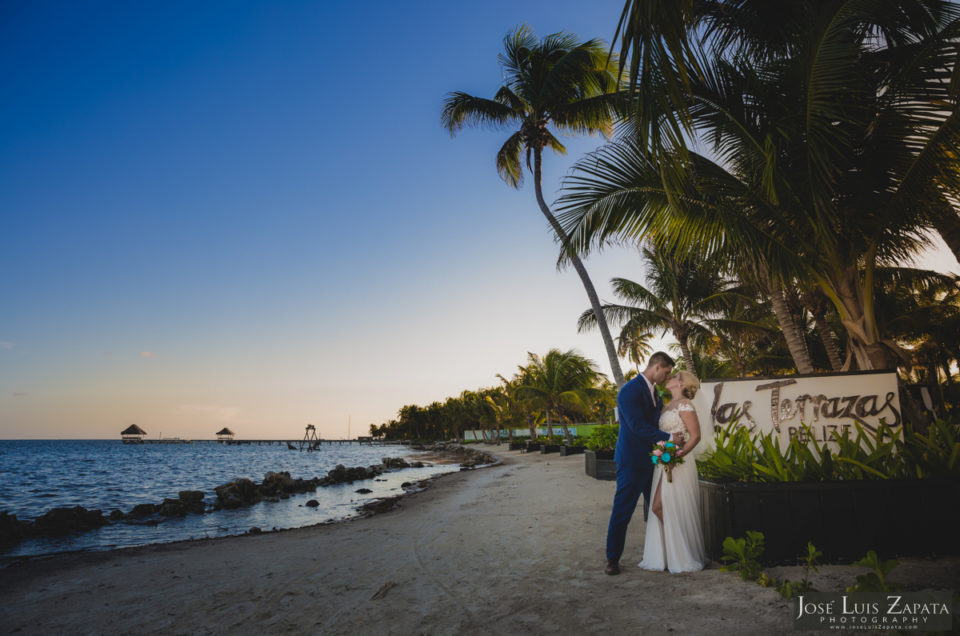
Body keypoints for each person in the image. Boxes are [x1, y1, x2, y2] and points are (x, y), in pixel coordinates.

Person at [604, 352, 683, 575]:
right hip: (631, 462)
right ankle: (612, 559)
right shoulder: (629, 391)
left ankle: (670, 555)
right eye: (666, 372)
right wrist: (669, 439)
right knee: (623, 511)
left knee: (660, 507)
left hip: (654, 462)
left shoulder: (655, 394)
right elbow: (636, 425)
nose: (667, 377)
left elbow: (655, 422)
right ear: (657, 367)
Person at [638, 370, 706, 573]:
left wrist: (678, 456)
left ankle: (683, 554)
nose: (671, 378)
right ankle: (670, 554)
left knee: (661, 506)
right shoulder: (666, 405)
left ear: (682, 384)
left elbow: (695, 436)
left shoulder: (685, 405)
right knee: (663, 507)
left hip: (678, 464)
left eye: (675, 376)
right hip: (664, 463)